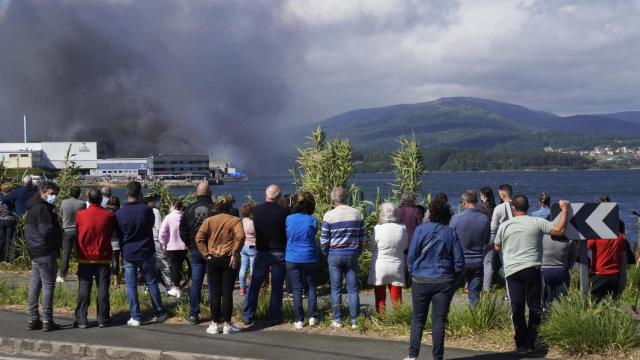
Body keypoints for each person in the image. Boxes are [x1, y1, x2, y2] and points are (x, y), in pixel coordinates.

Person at [494, 195, 569, 355]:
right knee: (535, 306)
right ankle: (531, 341)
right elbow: (560, 230)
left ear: (514, 208)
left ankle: (520, 343)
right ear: (528, 207)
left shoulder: (505, 225)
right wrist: (564, 210)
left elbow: (497, 247)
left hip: (512, 271)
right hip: (532, 269)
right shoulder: (537, 222)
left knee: (517, 307)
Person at [405, 199, 464, 360]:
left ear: (430, 213)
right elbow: (459, 261)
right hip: (443, 280)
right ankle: (437, 357)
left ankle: (412, 355)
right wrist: (454, 280)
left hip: (421, 279)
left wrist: (412, 271)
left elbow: (411, 255)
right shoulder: (450, 232)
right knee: (439, 321)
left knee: (418, 319)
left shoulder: (420, 230)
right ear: (447, 215)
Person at [115, 181, 167, 326]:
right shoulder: (147, 210)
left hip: (129, 252)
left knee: (131, 286)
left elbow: (119, 233)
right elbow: (151, 225)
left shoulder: (119, 213)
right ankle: (160, 311)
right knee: (151, 282)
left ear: (126, 193)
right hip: (146, 250)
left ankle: (136, 316)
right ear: (140, 193)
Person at [196, 196, 245, 335]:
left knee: (215, 293)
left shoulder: (208, 220)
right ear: (231, 207)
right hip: (229, 258)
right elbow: (240, 237)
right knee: (227, 292)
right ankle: (227, 324)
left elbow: (199, 238)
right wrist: (235, 253)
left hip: (212, 258)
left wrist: (205, 254)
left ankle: (214, 323)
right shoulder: (235, 220)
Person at [243, 185, 291, 326]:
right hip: (279, 252)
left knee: (254, 285)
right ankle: (274, 316)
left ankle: (248, 315)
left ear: (266, 194)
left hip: (262, 251)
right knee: (276, 287)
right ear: (279, 197)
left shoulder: (256, 211)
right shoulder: (285, 212)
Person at [320, 186, 365, 329]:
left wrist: (326, 252)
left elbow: (324, 240)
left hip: (334, 254)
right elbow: (362, 237)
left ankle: (337, 319)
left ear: (333, 199)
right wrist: (359, 251)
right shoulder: (357, 213)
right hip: (352, 253)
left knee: (336, 289)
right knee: (353, 288)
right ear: (347, 197)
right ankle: (355, 320)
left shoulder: (329, 215)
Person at [74, 188, 116, 328]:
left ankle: (81, 318)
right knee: (103, 288)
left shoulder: (80, 214)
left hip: (85, 256)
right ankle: (103, 317)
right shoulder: (108, 215)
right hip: (103, 255)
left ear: (88, 199)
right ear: (101, 199)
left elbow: (77, 231)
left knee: (84, 287)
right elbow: (110, 232)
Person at [25, 181, 63, 332]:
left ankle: (33, 318)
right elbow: (46, 231)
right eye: (51, 193)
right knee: (48, 286)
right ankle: (47, 319)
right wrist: (56, 239)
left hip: (34, 250)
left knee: (35, 286)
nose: (54, 196)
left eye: (55, 194)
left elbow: (29, 231)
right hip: (45, 251)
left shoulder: (32, 208)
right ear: (42, 193)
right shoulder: (42, 210)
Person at [179, 182, 217, 325]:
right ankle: (215, 314)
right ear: (210, 193)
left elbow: (182, 231)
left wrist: (190, 245)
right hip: (212, 251)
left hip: (195, 250)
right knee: (213, 283)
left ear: (196, 194)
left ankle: (193, 314)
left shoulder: (188, 209)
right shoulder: (215, 209)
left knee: (196, 283)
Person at [449, 189, 490, 306]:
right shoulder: (485, 219)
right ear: (476, 202)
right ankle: (476, 320)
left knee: (449, 292)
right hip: (477, 261)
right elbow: (486, 241)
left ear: (463, 202)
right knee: (474, 295)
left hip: (459, 260)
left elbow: (450, 239)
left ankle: (443, 319)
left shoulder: (456, 218)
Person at [285, 192, 319, 329]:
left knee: (297, 288)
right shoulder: (313, 220)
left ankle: (299, 319)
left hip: (292, 256)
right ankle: (312, 316)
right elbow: (313, 233)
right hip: (309, 256)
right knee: (311, 287)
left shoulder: (288, 219)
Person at [368, 202, 407, 313]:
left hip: (380, 265)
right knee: (396, 296)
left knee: (380, 296)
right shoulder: (402, 228)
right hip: (396, 265)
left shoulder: (378, 228)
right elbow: (405, 246)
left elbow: (371, 247)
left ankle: (381, 318)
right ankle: (398, 318)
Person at [587, 195, 627, 302]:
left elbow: (582, 250)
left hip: (600, 275)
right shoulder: (620, 236)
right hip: (615, 275)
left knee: (593, 304)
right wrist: (622, 277)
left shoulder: (596, 235)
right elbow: (623, 260)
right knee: (612, 304)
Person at [485, 184, 513, 291]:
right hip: (516, 238)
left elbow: (493, 228)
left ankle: (508, 290)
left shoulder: (499, 208)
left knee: (505, 265)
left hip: (503, 240)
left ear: (503, 194)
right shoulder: (517, 205)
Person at [159, 199, 188, 298]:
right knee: (179, 267)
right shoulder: (185, 217)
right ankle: (178, 287)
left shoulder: (168, 217)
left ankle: (176, 289)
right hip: (184, 247)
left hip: (171, 247)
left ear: (173, 206)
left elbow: (162, 233)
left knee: (174, 268)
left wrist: (163, 244)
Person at [57, 186, 86, 283]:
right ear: (79, 194)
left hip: (67, 230)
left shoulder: (64, 202)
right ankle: (81, 273)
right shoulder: (82, 204)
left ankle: (63, 275)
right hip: (79, 231)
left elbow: (61, 213)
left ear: (70, 193)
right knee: (81, 253)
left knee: (66, 253)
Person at [542, 234, 577, 310]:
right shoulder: (569, 238)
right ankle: (560, 317)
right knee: (562, 300)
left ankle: (546, 317)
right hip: (562, 270)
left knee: (547, 298)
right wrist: (567, 267)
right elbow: (574, 256)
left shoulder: (541, 237)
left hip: (544, 271)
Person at [147, 195, 172, 292]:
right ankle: (169, 287)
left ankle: (148, 288)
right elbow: (159, 227)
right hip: (156, 240)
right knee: (163, 263)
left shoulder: (144, 210)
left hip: (147, 240)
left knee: (150, 264)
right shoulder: (155, 211)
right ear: (153, 202)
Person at [239, 202, 257, 297]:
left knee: (243, 268)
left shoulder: (241, 222)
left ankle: (242, 288)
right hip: (253, 246)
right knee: (252, 268)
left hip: (243, 246)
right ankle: (252, 287)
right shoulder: (253, 222)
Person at [106, 196, 122, 285]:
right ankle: (116, 279)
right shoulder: (120, 213)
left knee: (106, 259)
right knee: (115, 259)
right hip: (116, 238)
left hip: (106, 238)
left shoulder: (105, 212)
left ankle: (107, 277)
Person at [0, 183, 17, 263]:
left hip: (1, 220)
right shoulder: (12, 197)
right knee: (9, 240)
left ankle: (1, 257)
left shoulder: (0, 197)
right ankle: (7, 259)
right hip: (10, 220)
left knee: (1, 240)